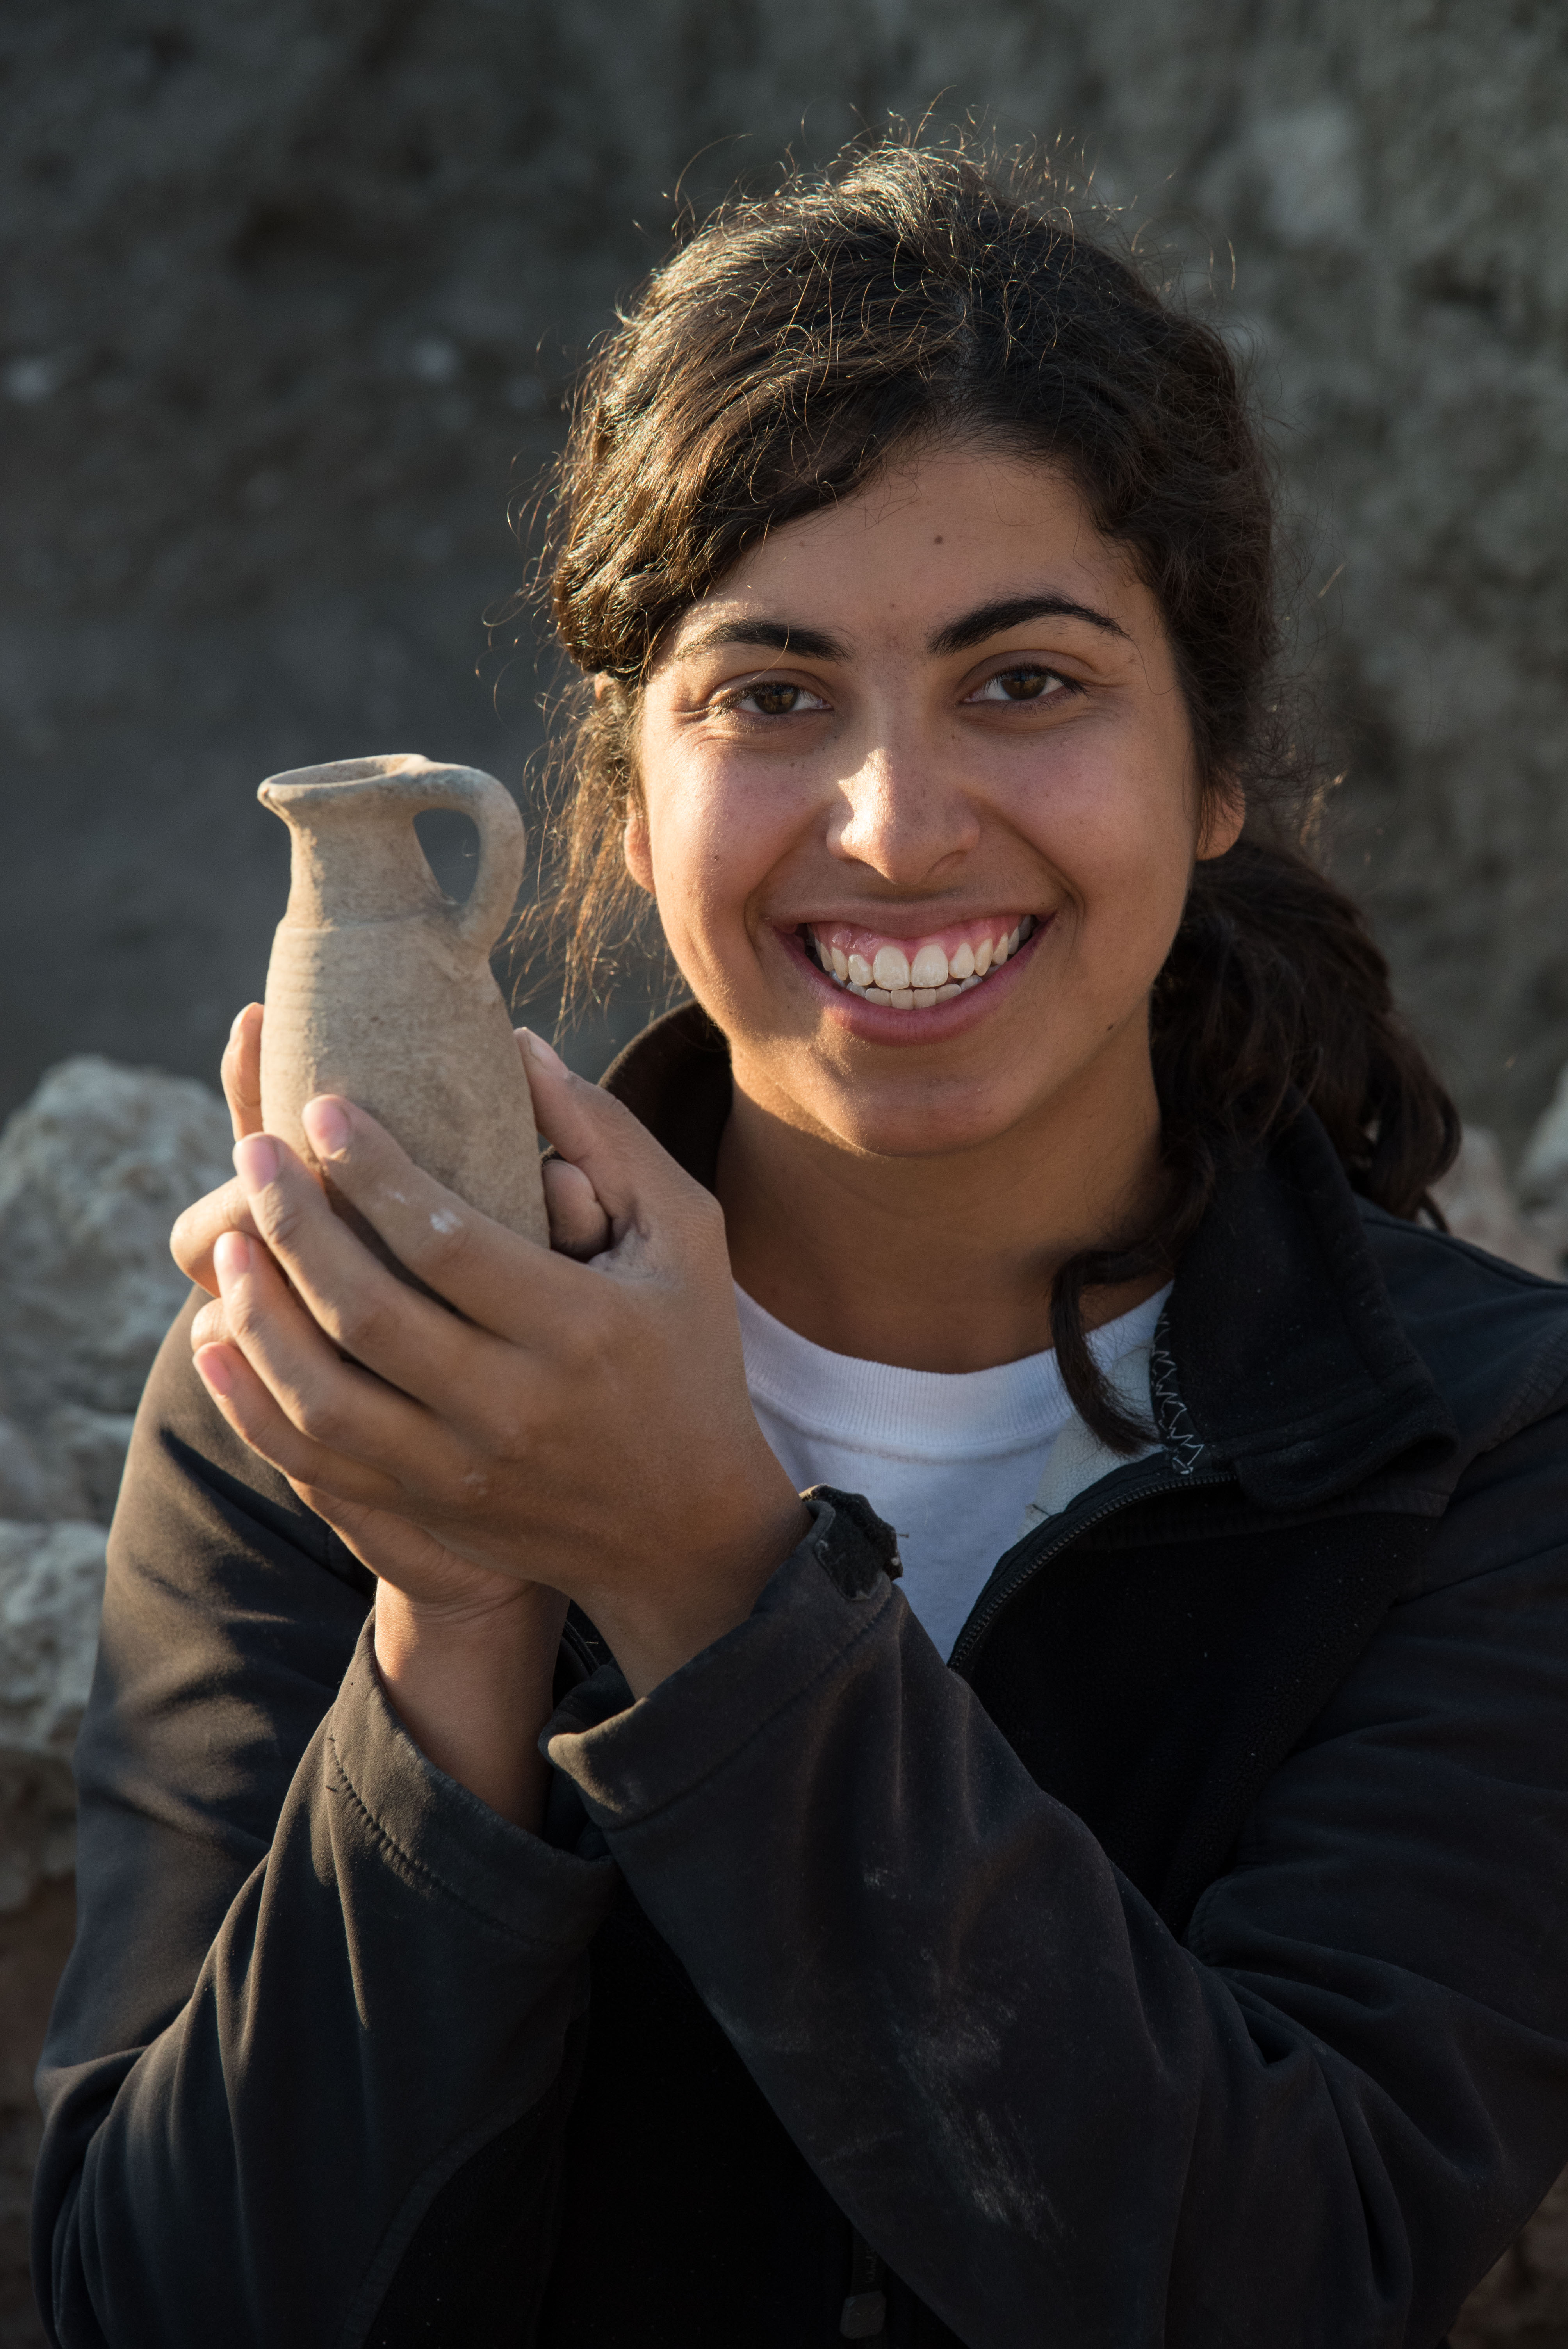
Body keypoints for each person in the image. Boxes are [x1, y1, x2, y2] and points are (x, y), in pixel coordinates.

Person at [32, 141, 1568, 2349]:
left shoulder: (1484, 1467)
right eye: (770, 696)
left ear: (1216, 761)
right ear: (623, 796)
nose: (897, 818)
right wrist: (455, 1619)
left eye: (1025, 682)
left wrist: (699, 1578)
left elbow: (1283, 2276)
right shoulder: (327, 1400)